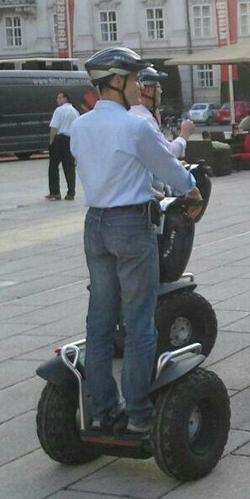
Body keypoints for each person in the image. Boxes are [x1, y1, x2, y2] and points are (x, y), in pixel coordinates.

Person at [69, 47, 202, 436]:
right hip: (130, 224)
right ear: (118, 82)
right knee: (140, 321)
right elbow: (170, 171)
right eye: (134, 80)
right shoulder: (134, 126)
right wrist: (192, 191)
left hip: (95, 225)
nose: (139, 87)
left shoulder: (80, 126)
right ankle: (139, 412)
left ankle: (104, 409)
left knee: (100, 322)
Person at [130, 66, 194, 160]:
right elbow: (168, 154)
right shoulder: (145, 119)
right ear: (147, 90)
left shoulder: (130, 112)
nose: (161, 91)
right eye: (158, 87)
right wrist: (184, 134)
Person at [46, 91, 79, 201]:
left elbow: (54, 127)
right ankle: (71, 193)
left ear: (65, 99)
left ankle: (55, 192)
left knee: (53, 167)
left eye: (59, 97)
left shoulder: (59, 110)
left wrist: (51, 141)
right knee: (69, 167)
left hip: (59, 140)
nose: (57, 100)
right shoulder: (75, 112)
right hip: (70, 140)